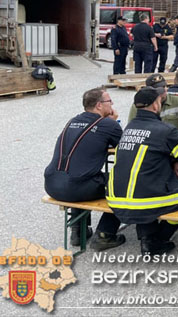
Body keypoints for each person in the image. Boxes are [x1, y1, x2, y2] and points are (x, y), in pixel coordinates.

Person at [108, 86, 178, 255]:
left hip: (115, 197)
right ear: (156, 106)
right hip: (143, 202)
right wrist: (175, 162)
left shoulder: (129, 128)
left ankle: (146, 237)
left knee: (146, 186)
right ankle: (157, 241)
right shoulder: (166, 130)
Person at [44, 88, 126, 251]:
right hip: (76, 187)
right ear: (99, 105)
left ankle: (77, 232)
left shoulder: (72, 121)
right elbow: (126, 148)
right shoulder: (108, 124)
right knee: (124, 184)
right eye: (109, 101)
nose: (113, 104)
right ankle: (105, 234)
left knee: (80, 173)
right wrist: (114, 121)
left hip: (52, 184)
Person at [128, 74, 178, 141]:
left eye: (165, 86)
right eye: (159, 89)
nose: (164, 90)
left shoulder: (176, 100)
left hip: (171, 145)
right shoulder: (140, 105)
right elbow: (131, 127)